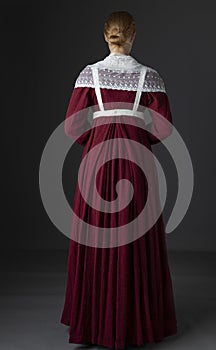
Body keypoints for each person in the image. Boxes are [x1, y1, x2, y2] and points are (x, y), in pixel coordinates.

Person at [60, 10, 177, 350]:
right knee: (135, 237)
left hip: (96, 162)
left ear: (105, 36)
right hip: (138, 163)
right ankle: (137, 324)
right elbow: (163, 129)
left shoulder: (89, 75)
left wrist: (99, 138)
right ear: (133, 36)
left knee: (96, 236)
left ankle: (93, 324)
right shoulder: (150, 77)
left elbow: (71, 127)